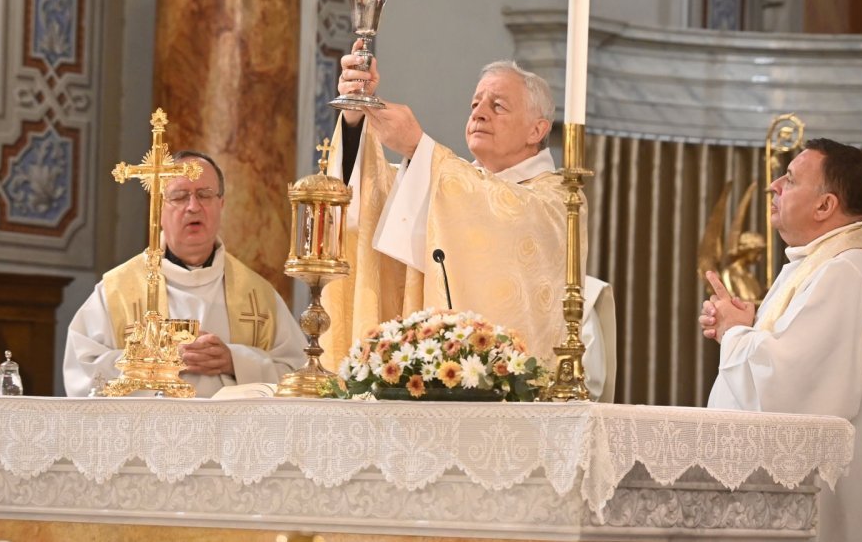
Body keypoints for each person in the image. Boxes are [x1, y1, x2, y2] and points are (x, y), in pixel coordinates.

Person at [322, 47, 615, 401]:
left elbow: (508, 217)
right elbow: (373, 198)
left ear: (538, 129)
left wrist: (418, 147)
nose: (479, 113)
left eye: (498, 106)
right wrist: (357, 117)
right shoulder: (448, 179)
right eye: (475, 104)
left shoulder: (558, 199)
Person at [698, 139, 862, 542]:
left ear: (825, 206)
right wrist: (753, 325)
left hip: (847, 505)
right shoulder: (830, 261)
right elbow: (804, 357)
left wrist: (734, 333)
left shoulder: (847, 271)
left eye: (789, 179)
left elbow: (790, 390)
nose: (773, 185)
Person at [63, 151, 307, 397]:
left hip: (232, 433)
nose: (193, 207)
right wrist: (159, 362)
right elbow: (81, 370)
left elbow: (299, 374)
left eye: (204, 195)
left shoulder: (258, 294)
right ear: (157, 207)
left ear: (221, 204)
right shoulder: (117, 290)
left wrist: (236, 361)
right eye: (179, 197)